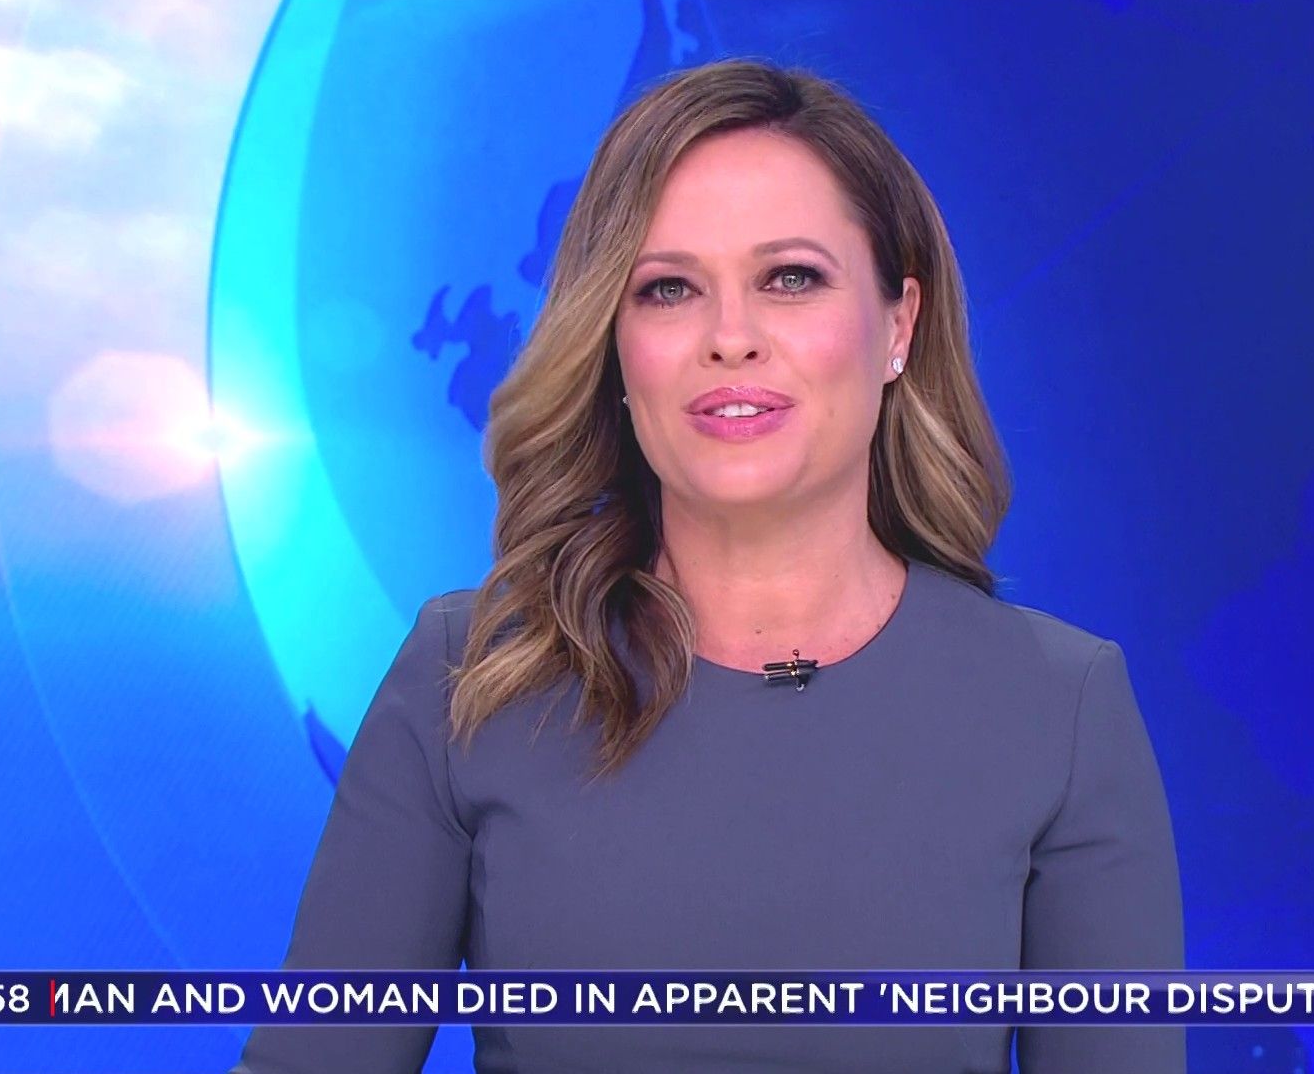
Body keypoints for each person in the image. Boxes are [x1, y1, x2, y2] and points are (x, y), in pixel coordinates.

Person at [233, 56, 1183, 1074]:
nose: (731, 338)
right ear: (614, 345)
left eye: (791, 279)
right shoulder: (466, 677)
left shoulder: (1059, 706)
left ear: (898, 326)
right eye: (669, 289)